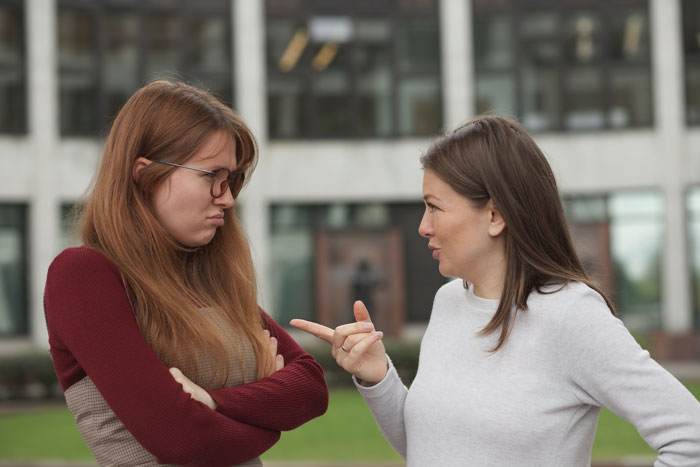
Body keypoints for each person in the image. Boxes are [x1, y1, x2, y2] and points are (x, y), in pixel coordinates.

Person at [291, 115, 700, 466]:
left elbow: (690, 438)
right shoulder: (448, 301)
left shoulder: (571, 316)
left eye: (434, 206)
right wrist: (378, 377)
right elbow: (429, 449)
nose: (423, 226)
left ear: (494, 214)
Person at [44, 80, 328, 466]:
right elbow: (183, 439)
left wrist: (213, 401)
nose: (227, 197)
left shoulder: (208, 278)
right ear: (144, 175)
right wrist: (268, 417)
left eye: (232, 180)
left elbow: (311, 387)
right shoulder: (83, 275)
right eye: (211, 176)